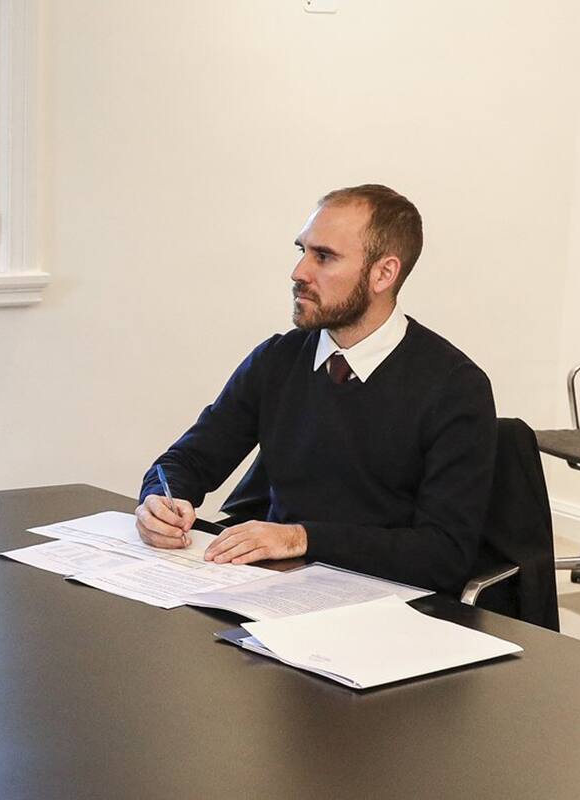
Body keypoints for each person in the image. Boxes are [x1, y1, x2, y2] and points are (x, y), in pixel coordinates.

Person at [136, 184, 496, 594]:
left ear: (383, 273)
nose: (299, 272)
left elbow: (443, 556)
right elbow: (187, 460)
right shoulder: (278, 359)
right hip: (274, 590)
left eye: (323, 257)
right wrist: (160, 501)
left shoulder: (455, 387)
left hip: (387, 605)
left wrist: (300, 537)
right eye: (302, 250)